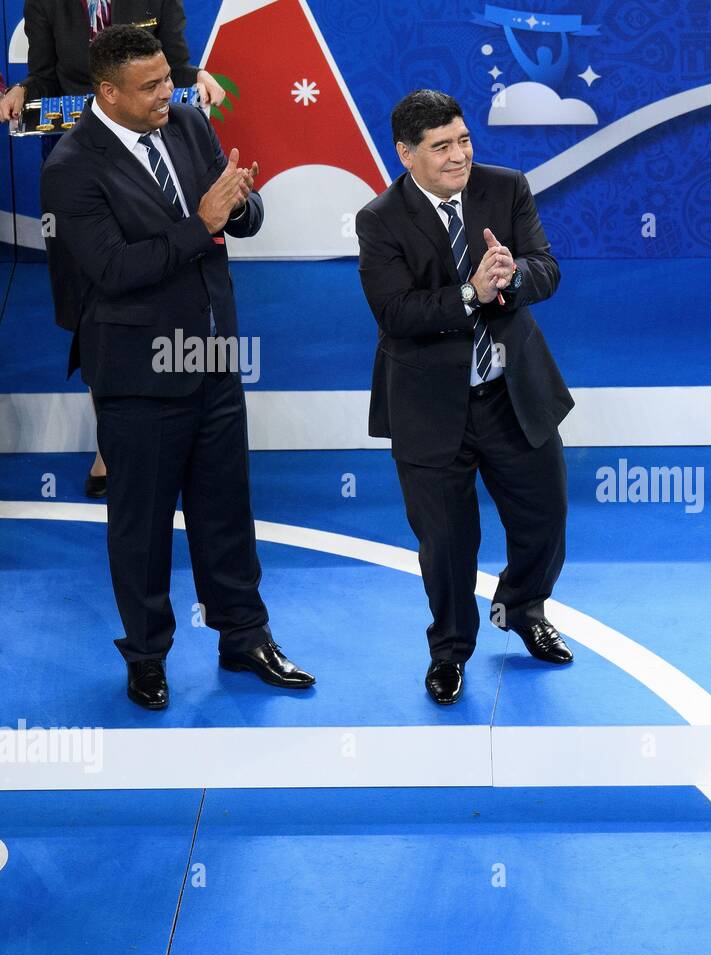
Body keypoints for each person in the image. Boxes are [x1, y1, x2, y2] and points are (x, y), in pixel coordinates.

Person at [40, 25, 313, 710]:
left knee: (227, 511)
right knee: (143, 524)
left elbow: (235, 219)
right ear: (107, 93)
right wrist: (203, 220)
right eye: (152, 85)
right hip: (135, 373)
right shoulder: (71, 165)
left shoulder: (189, 125)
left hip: (213, 355)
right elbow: (113, 269)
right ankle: (148, 656)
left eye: (169, 77)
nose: (171, 91)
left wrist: (241, 204)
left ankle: (245, 637)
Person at [356, 90, 574, 707]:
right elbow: (395, 313)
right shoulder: (379, 220)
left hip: (513, 394)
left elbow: (546, 268)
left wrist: (514, 276)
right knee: (447, 545)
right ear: (406, 154)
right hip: (430, 405)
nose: (459, 157)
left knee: (545, 518)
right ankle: (450, 651)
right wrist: (471, 293)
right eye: (442, 147)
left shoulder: (505, 189)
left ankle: (523, 607)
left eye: (464, 140)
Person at [0, 0, 227, 498]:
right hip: (80, 162)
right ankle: (111, 444)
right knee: (94, 303)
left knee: (171, 287)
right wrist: (22, 90)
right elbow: (44, 78)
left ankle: (188, 431)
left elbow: (173, 67)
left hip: (149, 156)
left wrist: (200, 76)